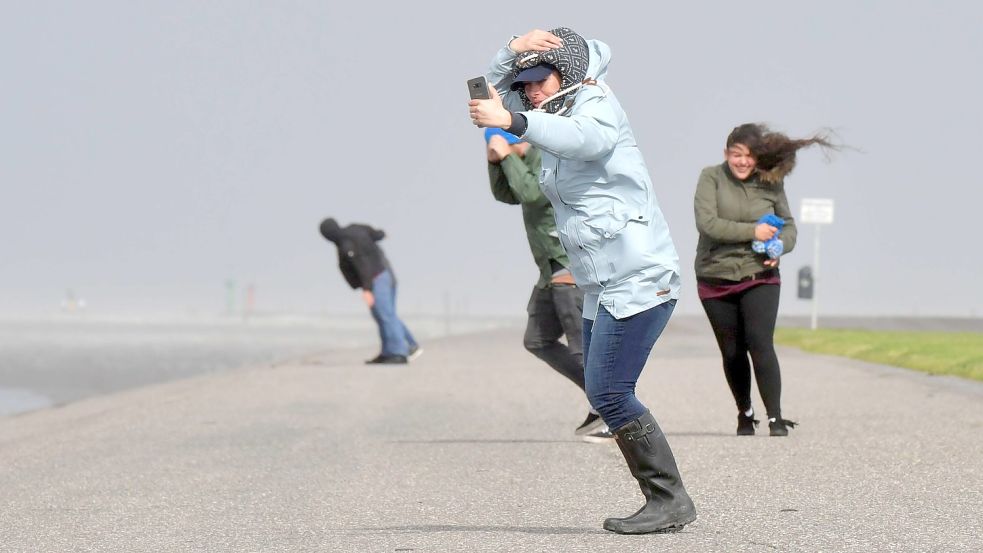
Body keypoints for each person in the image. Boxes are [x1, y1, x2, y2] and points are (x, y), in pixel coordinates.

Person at [470, 27, 696, 535]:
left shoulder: (594, 103)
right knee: (605, 390)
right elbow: (497, 89)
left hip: (639, 275)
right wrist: (512, 48)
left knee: (610, 391)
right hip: (600, 281)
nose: (528, 90)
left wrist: (513, 120)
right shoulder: (552, 110)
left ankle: (669, 499)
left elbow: (587, 142)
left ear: (567, 73)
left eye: (538, 80)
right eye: (524, 84)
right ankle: (666, 498)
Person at [694, 123, 835, 436]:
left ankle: (775, 417)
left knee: (760, 343)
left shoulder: (771, 182)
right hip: (714, 276)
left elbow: (789, 227)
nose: (743, 161)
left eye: (749, 156)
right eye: (736, 154)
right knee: (732, 351)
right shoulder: (710, 178)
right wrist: (752, 232)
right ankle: (745, 413)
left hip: (760, 274)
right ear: (726, 154)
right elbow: (708, 224)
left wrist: (780, 245)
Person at [485, 127, 609, 442]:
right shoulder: (522, 162)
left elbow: (531, 194)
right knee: (537, 339)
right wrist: (495, 163)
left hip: (570, 267)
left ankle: (612, 411)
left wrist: (507, 157)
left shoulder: (549, 160)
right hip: (549, 272)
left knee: (582, 348)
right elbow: (507, 195)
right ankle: (605, 398)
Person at [318, 218, 421, 364]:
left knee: (385, 315)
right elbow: (375, 233)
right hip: (382, 274)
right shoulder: (356, 229)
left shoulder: (346, 244)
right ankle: (393, 350)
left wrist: (367, 289)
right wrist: (381, 234)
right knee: (385, 315)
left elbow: (362, 265)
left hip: (376, 278)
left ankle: (398, 352)